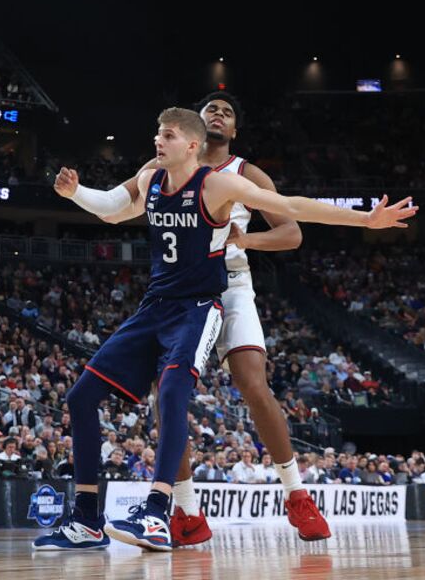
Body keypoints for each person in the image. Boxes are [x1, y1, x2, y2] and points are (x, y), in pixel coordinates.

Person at [35, 107, 415, 552]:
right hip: (158, 303)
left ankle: (201, 505)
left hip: (215, 294)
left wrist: (365, 219)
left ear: (196, 141)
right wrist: (77, 191)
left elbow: (291, 212)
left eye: (168, 134)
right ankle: (113, 517)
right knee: (89, 395)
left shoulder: (228, 178)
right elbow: (114, 209)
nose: (158, 140)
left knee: (220, 388)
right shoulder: (153, 174)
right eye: (158, 132)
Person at [112, 92, 330, 544]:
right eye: (211, 109)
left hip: (231, 285)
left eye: (228, 112)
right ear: (194, 126)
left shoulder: (245, 174)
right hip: (182, 292)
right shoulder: (166, 168)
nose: (218, 114)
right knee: (166, 394)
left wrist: (248, 242)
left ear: (233, 131)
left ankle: (296, 496)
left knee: (252, 382)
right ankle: (188, 514)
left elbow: (291, 232)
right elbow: (120, 208)